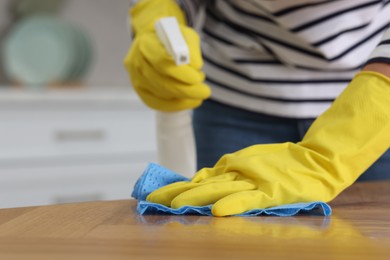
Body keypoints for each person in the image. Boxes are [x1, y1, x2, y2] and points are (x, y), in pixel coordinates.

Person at [124, 0, 390, 216]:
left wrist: (345, 142)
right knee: (222, 238)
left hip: (372, 111)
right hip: (235, 98)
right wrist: (158, 12)